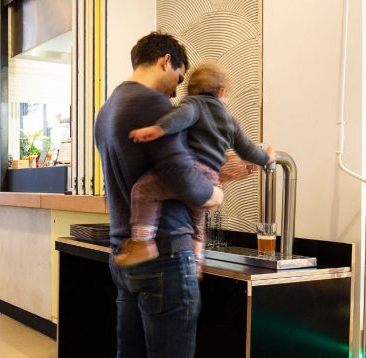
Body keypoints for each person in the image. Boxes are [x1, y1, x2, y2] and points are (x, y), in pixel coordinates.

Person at [94, 32, 222, 358]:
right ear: (166, 60)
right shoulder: (154, 103)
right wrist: (213, 193)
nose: (177, 89)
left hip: (124, 253)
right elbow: (179, 175)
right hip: (164, 257)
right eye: (178, 77)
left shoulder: (106, 111)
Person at [117, 62, 276, 268]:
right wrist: (267, 158)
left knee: (144, 190)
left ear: (191, 90)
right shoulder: (230, 120)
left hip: (191, 170)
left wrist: (159, 129)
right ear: (222, 91)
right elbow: (248, 150)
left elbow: (181, 118)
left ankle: (143, 242)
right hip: (211, 176)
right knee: (197, 220)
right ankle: (197, 261)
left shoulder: (193, 104)